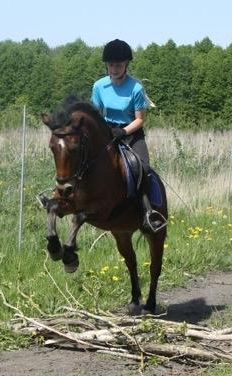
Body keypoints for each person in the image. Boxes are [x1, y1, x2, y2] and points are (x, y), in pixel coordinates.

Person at [91, 39, 166, 232]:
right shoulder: (99, 87)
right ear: (106, 65)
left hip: (131, 132)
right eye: (111, 65)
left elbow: (140, 119)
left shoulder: (136, 88)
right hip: (108, 132)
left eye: (118, 64)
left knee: (143, 168)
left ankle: (149, 213)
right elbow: (96, 114)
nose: (114, 68)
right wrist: (104, 132)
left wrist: (123, 131)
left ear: (126, 65)